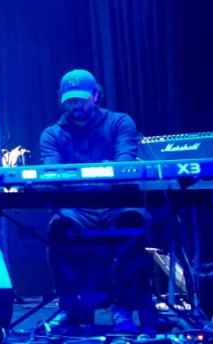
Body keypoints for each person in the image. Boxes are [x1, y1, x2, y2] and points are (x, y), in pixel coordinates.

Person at [40, 69, 157, 335]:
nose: (76, 106)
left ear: (95, 95)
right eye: (70, 101)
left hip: (117, 203)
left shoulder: (120, 122)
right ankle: (70, 306)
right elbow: (51, 175)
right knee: (59, 226)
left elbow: (125, 167)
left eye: (81, 99)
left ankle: (123, 307)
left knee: (132, 220)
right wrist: (100, 172)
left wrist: (83, 176)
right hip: (78, 208)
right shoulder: (52, 134)